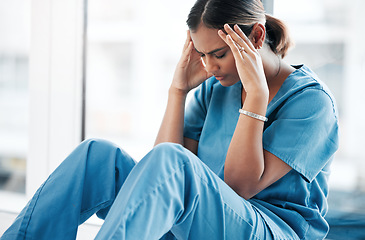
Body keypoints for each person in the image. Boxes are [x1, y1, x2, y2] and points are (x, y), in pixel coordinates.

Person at [1, 0, 339, 239]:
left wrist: (256, 96)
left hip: (268, 228)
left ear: (256, 38)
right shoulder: (215, 88)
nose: (208, 67)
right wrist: (178, 91)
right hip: (204, 219)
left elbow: (240, 186)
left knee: (174, 162)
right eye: (202, 54)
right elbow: (161, 171)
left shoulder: (311, 103)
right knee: (97, 156)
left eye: (218, 54)